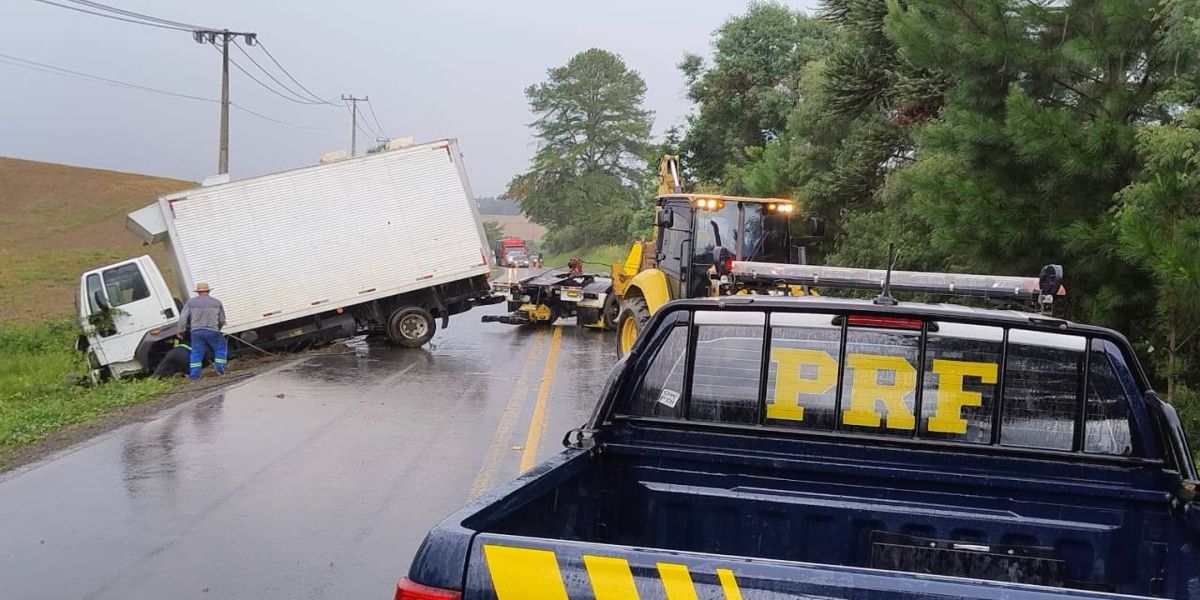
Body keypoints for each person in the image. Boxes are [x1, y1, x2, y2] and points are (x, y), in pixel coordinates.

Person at [178, 282, 227, 379]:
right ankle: (220, 368)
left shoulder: (191, 302)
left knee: (196, 353)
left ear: (198, 292)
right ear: (208, 291)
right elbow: (222, 319)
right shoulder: (216, 302)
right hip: (212, 331)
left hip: (196, 332)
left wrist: (181, 330)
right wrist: (218, 328)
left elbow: (183, 317)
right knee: (220, 348)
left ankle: (194, 375)